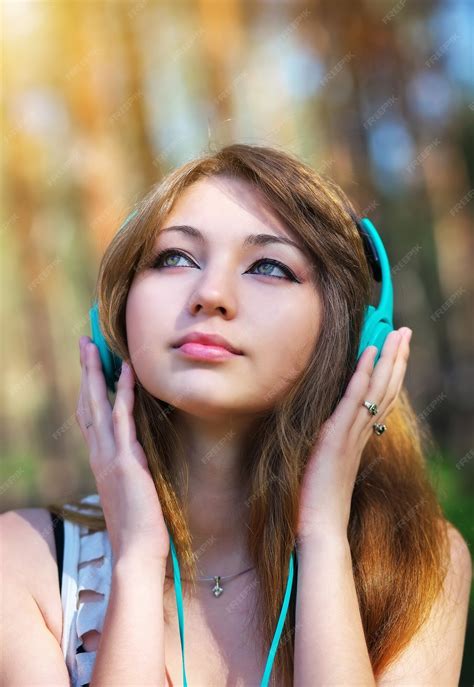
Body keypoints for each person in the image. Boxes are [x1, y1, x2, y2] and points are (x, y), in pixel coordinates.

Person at [1, 144, 471, 686]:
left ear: (352, 338)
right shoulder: (23, 560)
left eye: (269, 266)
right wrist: (136, 559)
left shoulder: (423, 565)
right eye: (175, 257)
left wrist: (321, 538)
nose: (211, 294)